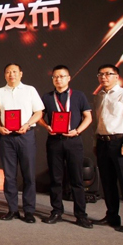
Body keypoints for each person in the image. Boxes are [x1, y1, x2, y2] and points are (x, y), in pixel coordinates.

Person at [38, 65, 93, 229]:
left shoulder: (79, 96)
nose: (58, 79)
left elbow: (88, 117)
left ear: (69, 78)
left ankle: (81, 215)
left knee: (77, 179)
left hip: (73, 141)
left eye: (62, 76)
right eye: (55, 77)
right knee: (56, 178)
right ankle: (56, 211)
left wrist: (77, 131)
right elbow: (39, 116)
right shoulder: (47, 97)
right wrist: (46, 126)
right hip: (54, 141)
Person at [0, 63, 44, 223]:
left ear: (21, 74)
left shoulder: (30, 90)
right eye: (8, 72)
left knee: (28, 174)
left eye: (14, 71)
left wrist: (27, 124)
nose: (11, 74)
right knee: (9, 175)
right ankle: (12, 209)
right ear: (4, 75)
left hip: (25, 136)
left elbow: (39, 112)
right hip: (6, 138)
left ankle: (29, 211)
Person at [93, 64, 123, 233]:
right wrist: (95, 143)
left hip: (120, 142)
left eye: (108, 74)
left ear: (116, 76)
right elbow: (98, 122)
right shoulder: (99, 96)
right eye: (100, 74)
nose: (103, 77)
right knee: (107, 182)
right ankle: (112, 216)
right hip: (102, 142)